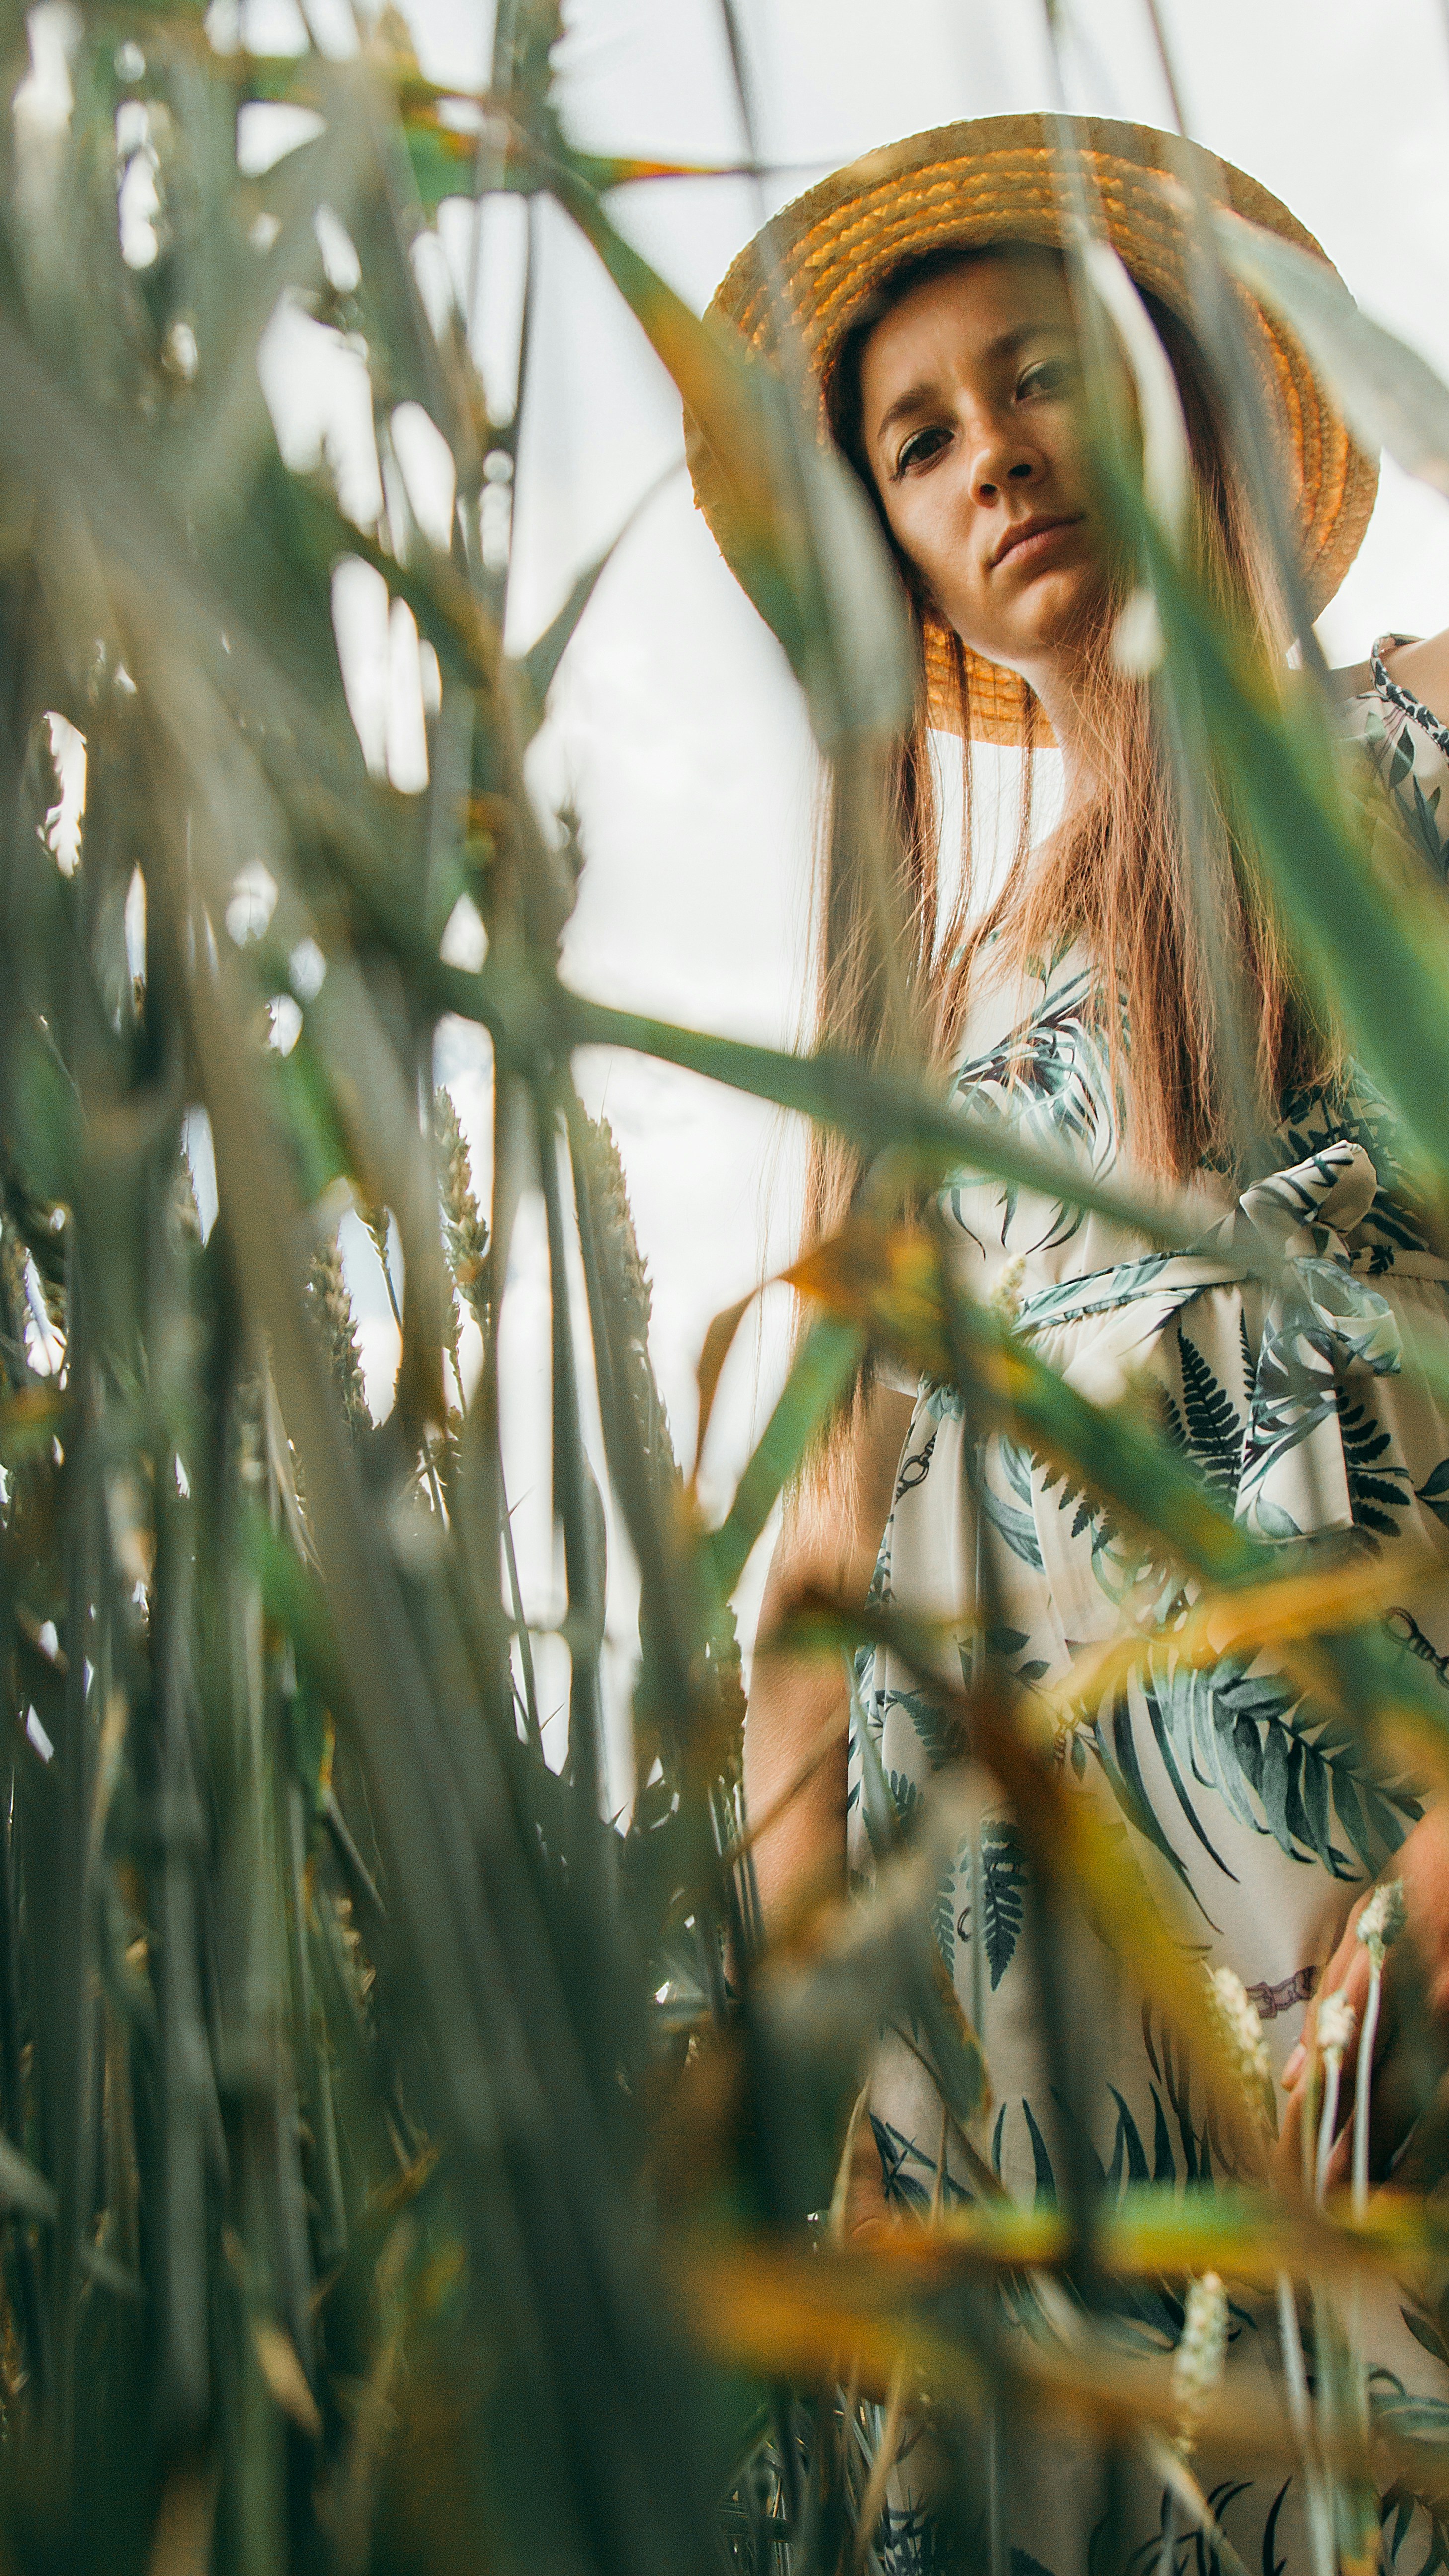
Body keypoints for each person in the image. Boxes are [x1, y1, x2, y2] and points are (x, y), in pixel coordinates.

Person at [691, 115, 1449, 2572]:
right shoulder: (918, 1047)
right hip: (1050, 2137)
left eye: (1044, 380)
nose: (992, 453)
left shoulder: (1415, 755)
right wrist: (758, 2069)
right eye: (916, 437)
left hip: (1393, 1963)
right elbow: (816, 1616)